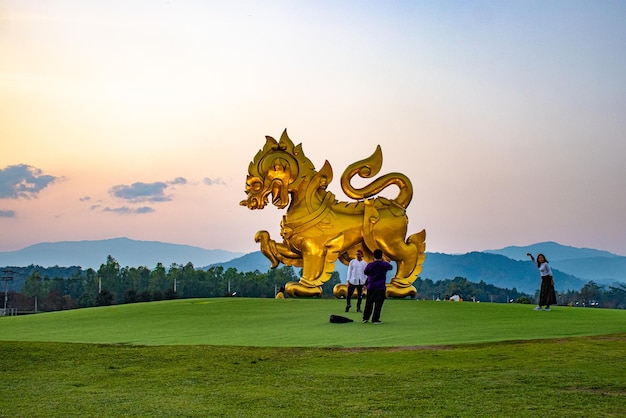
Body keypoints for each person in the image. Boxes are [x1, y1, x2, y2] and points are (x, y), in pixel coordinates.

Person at [362, 249, 392, 324]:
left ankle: (365, 318)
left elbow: (365, 272)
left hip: (371, 286)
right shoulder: (384, 265)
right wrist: (384, 260)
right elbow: (390, 267)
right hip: (380, 287)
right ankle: (375, 319)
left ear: (374, 255)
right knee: (378, 304)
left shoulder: (370, 265)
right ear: (381, 256)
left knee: (369, 303)